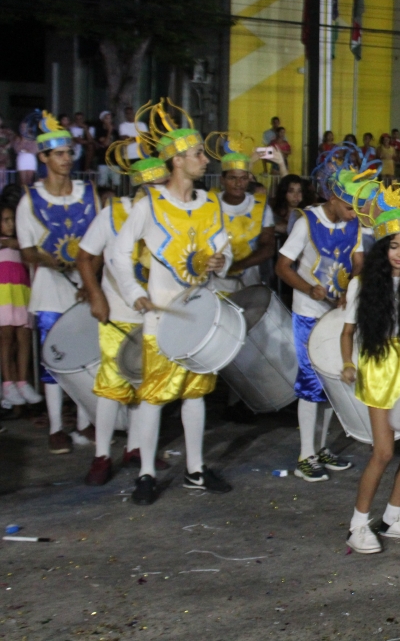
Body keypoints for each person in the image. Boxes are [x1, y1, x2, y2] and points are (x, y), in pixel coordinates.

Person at [111, 100, 233, 504]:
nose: (204, 159)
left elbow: (223, 250)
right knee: (153, 396)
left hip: (199, 314)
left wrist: (220, 260)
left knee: (196, 393)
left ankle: (195, 470)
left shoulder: (210, 203)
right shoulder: (149, 205)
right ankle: (146, 473)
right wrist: (135, 294)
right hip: (161, 319)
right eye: (197, 153)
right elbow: (117, 254)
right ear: (177, 160)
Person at [341, 209, 400, 553]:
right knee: (382, 451)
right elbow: (348, 332)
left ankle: (393, 517)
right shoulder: (362, 285)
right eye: (394, 246)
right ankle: (357, 525)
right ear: (382, 248)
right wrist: (348, 363)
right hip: (379, 366)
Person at [76, 151, 170, 485]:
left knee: (148, 387)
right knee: (112, 387)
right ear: (143, 189)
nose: (164, 192)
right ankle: (101, 455)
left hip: (156, 317)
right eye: (158, 187)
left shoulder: (168, 217)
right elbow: (84, 257)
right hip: (118, 313)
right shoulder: (113, 215)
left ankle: (137, 449)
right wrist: (96, 295)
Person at [276, 168, 366, 482]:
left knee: (331, 381)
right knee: (309, 383)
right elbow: (282, 266)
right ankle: (305, 455)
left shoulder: (354, 224)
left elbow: (358, 262)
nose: (354, 213)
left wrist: (352, 285)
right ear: (332, 197)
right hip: (308, 313)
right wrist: (307, 289)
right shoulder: (306, 222)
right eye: (349, 206)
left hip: (336, 312)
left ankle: (323, 447)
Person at [16, 110, 97, 453]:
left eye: (69, 153)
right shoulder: (29, 201)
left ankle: (84, 423)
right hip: (51, 293)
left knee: (87, 358)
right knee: (54, 360)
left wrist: (89, 279)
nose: (66, 159)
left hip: (86, 290)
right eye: (59, 154)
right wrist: (57, 263)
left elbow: (100, 243)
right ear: (44, 157)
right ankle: (55, 426)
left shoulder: (88, 193)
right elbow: (28, 251)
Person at [209, 143, 276, 292]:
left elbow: (268, 247)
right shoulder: (209, 203)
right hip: (212, 281)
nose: (239, 184)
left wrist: (235, 266)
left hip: (248, 280)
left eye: (243, 178)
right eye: (233, 178)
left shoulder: (261, 207)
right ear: (222, 180)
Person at [0, 203, 36, 411]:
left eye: (12, 220)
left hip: (21, 290)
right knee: (6, 338)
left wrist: (18, 244)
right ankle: (8, 383)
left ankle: (22, 382)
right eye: (5, 220)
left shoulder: (20, 243)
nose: (11, 224)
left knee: (23, 336)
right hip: (4, 293)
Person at [117, 106, 148, 186]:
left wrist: (133, 139)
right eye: (127, 113)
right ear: (125, 115)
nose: (129, 115)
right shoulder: (123, 125)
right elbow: (125, 140)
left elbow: (146, 138)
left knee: (141, 178)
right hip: (128, 156)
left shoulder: (142, 125)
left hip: (141, 155)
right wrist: (138, 138)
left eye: (131, 113)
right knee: (128, 180)